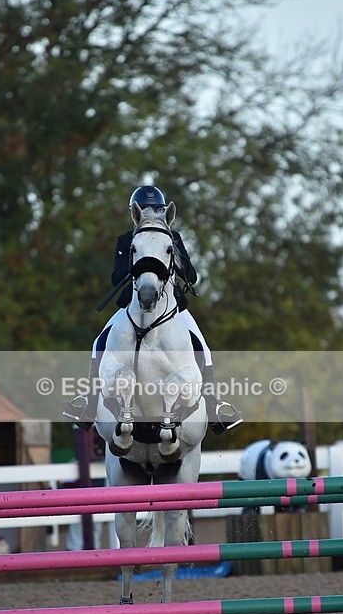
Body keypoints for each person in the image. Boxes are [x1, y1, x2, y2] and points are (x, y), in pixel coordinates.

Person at [66, 185, 241, 435]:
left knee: (204, 348)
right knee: (99, 343)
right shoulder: (126, 240)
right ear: (134, 214)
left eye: (157, 210)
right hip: (132, 306)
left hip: (172, 309)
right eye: (146, 210)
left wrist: (174, 263)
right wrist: (141, 264)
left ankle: (215, 408)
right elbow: (116, 278)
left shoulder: (174, 237)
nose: (152, 214)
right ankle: (89, 405)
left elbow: (191, 276)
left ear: (164, 213)